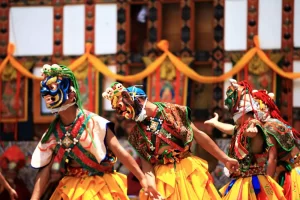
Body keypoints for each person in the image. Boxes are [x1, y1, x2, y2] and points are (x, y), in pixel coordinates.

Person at [30, 64, 154, 200]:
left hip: (100, 186)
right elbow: (45, 169)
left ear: (72, 95)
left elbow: (120, 151)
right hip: (72, 188)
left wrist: (142, 179)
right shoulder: (53, 133)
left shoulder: (95, 122)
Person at [102, 82, 239, 200]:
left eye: (123, 108)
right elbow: (147, 165)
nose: (124, 114)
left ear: (136, 99)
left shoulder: (172, 111)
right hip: (163, 178)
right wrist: (151, 186)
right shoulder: (136, 134)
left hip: (187, 170)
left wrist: (225, 158)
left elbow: (198, 136)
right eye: (120, 111)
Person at [206, 80, 299, 200]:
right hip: (249, 179)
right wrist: (216, 123)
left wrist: (269, 184)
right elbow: (233, 129)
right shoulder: (245, 126)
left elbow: (272, 158)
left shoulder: (265, 127)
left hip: (289, 173)